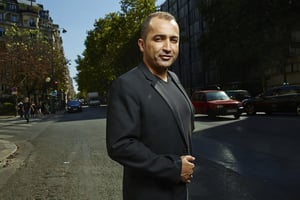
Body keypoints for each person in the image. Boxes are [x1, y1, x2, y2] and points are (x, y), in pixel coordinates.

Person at [106, 12, 196, 200]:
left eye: (174, 40)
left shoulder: (174, 78)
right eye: (158, 39)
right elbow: (120, 145)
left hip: (179, 191)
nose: (167, 47)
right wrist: (174, 168)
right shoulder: (126, 84)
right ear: (142, 44)